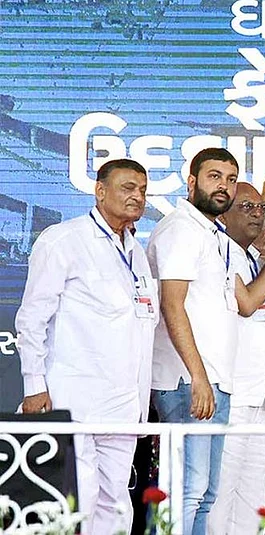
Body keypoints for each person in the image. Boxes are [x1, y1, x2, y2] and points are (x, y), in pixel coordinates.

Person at [16, 158, 157, 534]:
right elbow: (32, 319)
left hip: (124, 406)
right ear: (100, 191)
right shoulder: (64, 240)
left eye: (143, 190)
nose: (137, 196)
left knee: (117, 505)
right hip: (74, 400)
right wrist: (34, 384)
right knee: (76, 502)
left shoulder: (137, 252)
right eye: (128, 188)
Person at [147, 147, 239, 535]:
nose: (223, 186)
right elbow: (172, 304)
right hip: (188, 382)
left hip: (212, 380)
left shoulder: (211, 233)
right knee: (185, 491)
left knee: (204, 493)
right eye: (214, 176)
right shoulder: (181, 229)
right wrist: (198, 377)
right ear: (191, 181)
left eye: (231, 179)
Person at [208, 180, 265, 534]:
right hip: (233, 397)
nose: (257, 215)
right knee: (219, 496)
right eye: (246, 207)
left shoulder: (254, 259)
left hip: (264, 398)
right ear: (223, 214)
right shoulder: (219, 253)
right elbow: (246, 305)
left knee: (253, 501)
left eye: (261, 208)